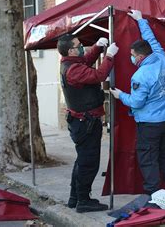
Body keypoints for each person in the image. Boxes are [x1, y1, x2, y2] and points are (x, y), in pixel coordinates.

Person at [109, 9, 165, 195]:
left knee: (148, 158)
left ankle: (153, 195)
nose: (131, 57)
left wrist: (120, 95)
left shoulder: (140, 75)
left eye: (132, 55)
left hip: (150, 124)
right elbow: (153, 40)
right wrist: (141, 20)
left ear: (140, 57)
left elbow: (137, 103)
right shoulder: (162, 59)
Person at [57, 34, 119, 213]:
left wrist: (98, 48)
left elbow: (85, 60)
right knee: (88, 162)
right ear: (70, 50)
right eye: (79, 45)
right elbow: (99, 75)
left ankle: (74, 198)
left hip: (81, 121)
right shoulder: (73, 69)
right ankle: (83, 200)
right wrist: (109, 56)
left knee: (82, 161)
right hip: (86, 123)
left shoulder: (70, 63)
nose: (82, 47)